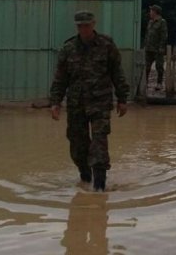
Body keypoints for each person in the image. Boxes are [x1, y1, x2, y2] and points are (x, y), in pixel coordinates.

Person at [50, 10, 129, 192]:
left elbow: (117, 73)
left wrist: (122, 98)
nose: (83, 29)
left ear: (93, 24)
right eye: (80, 26)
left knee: (99, 143)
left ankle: (99, 187)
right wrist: (55, 102)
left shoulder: (106, 45)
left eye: (86, 25)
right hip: (76, 104)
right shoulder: (68, 48)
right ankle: (85, 178)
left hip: (100, 102)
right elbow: (60, 78)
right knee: (78, 146)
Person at [143, 4, 168, 91]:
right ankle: (144, 83)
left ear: (155, 12)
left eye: (151, 11)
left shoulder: (162, 22)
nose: (150, 12)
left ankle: (159, 83)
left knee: (159, 66)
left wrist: (161, 47)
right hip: (149, 48)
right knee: (146, 67)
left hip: (157, 49)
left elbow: (163, 36)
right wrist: (145, 45)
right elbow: (147, 34)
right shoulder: (150, 22)